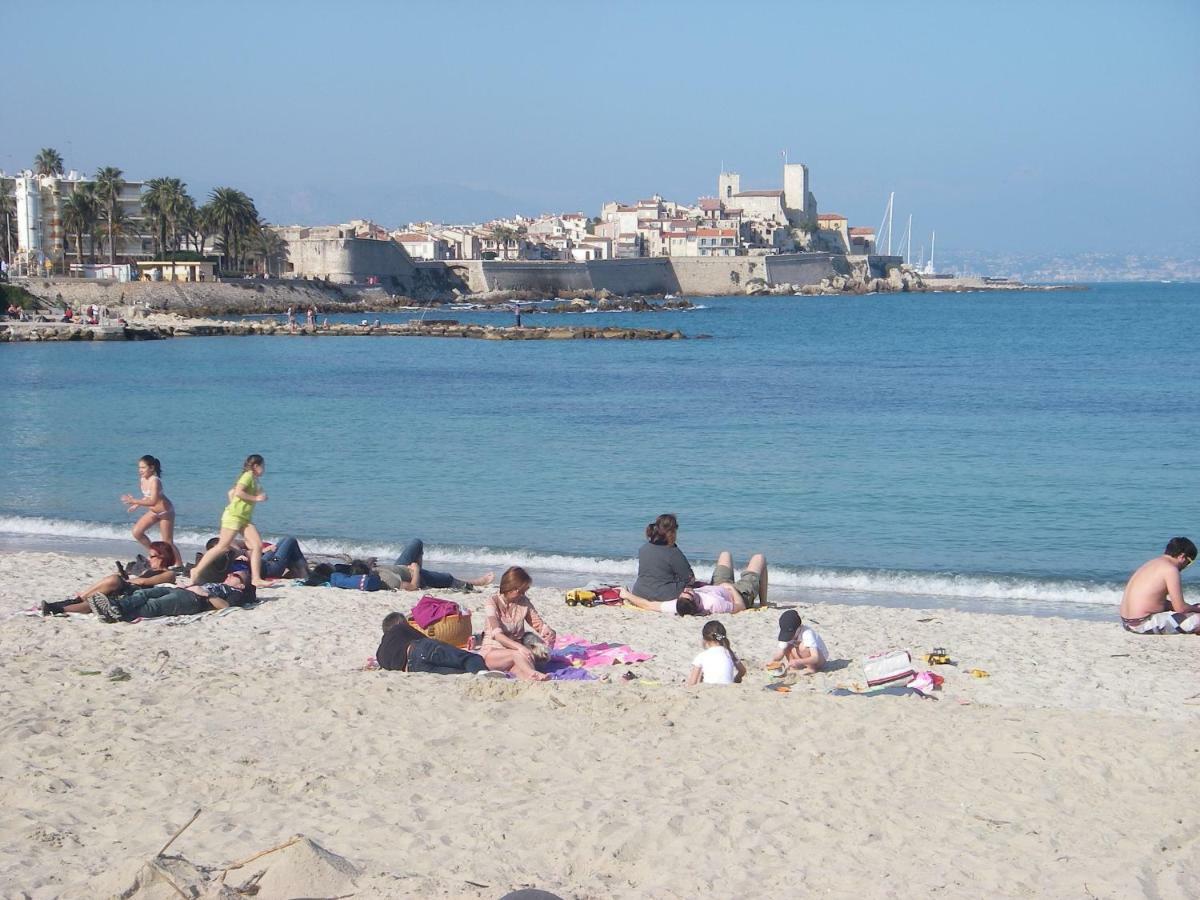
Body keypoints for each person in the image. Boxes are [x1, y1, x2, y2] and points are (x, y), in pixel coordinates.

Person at [190, 454, 269, 586]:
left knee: (257, 545)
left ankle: (256, 578)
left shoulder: (254, 479)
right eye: (263, 466)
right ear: (256, 466)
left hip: (244, 518)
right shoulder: (247, 476)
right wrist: (255, 499)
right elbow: (238, 492)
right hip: (234, 517)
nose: (264, 469)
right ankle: (196, 570)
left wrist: (257, 497)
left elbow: (230, 493)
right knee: (222, 546)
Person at [42, 541, 177, 616]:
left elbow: (145, 582)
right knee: (99, 597)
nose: (149, 559)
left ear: (162, 557)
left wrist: (127, 580)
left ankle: (61, 608)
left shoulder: (169, 574)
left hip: (136, 594)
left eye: (152, 556)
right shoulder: (150, 570)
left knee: (104, 592)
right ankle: (60, 606)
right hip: (130, 589)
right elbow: (140, 580)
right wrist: (127, 578)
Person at [622, 552, 767, 615]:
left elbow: (649, 605)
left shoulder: (678, 605)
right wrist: (731, 589)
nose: (687, 590)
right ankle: (763, 602)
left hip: (717, 586)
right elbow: (740, 607)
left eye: (684, 592)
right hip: (738, 594)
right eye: (689, 593)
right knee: (759, 558)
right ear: (696, 602)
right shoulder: (713, 604)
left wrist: (626, 594)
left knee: (725, 554)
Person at [87, 569, 256, 623]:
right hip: (185, 591)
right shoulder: (221, 583)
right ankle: (118, 607)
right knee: (144, 593)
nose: (230, 575)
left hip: (194, 600)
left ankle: (118, 613)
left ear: (241, 585)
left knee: (156, 605)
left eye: (236, 576)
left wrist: (206, 594)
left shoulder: (235, 593)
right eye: (232, 572)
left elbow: (226, 607)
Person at [481, 566, 556, 681]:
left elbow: (537, 623)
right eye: (520, 591)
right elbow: (498, 635)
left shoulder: (523, 602)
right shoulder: (492, 602)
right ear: (510, 587)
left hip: (517, 654)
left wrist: (547, 631)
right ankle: (533, 673)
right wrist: (520, 647)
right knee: (520, 654)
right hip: (493, 651)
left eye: (524, 591)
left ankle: (532, 678)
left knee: (524, 666)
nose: (522, 594)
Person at [1119, 537, 1198, 634]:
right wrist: (1196, 609)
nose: (1187, 566)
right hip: (1141, 624)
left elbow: (1155, 600)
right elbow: (1180, 608)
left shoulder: (1152, 563)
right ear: (1182, 556)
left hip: (1127, 622)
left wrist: (1193, 607)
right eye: (1189, 562)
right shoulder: (1171, 570)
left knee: (1194, 608)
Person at [376, 612, 488, 674]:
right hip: (418, 649)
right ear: (401, 623)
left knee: (461, 672)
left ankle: (478, 675)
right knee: (468, 658)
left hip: (413, 668)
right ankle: (485, 676)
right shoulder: (400, 628)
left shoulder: (380, 653)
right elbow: (426, 642)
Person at [120, 455, 180, 567]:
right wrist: (136, 504)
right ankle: (156, 554)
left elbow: (153, 501)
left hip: (165, 512)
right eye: (139, 468)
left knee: (167, 542)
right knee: (137, 532)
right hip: (153, 512)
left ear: (151, 468)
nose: (140, 470)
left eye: (143, 468)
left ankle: (179, 565)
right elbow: (147, 496)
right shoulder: (143, 479)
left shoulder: (155, 481)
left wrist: (133, 500)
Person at [374, 538, 494, 592]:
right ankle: (475, 582)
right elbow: (413, 587)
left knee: (416, 543)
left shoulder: (369, 570)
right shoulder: (390, 581)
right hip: (413, 577)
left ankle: (423, 573)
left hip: (400, 567)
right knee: (446, 578)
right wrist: (416, 571)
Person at [629, 514, 695, 602]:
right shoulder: (672, 552)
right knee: (689, 585)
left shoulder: (643, 548)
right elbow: (689, 578)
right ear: (672, 532)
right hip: (662, 595)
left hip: (639, 591)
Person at [687, 621, 745, 685]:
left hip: (709, 690)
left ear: (704, 639)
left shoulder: (702, 656)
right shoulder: (729, 653)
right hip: (728, 690)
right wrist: (736, 679)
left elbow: (692, 683)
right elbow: (742, 671)